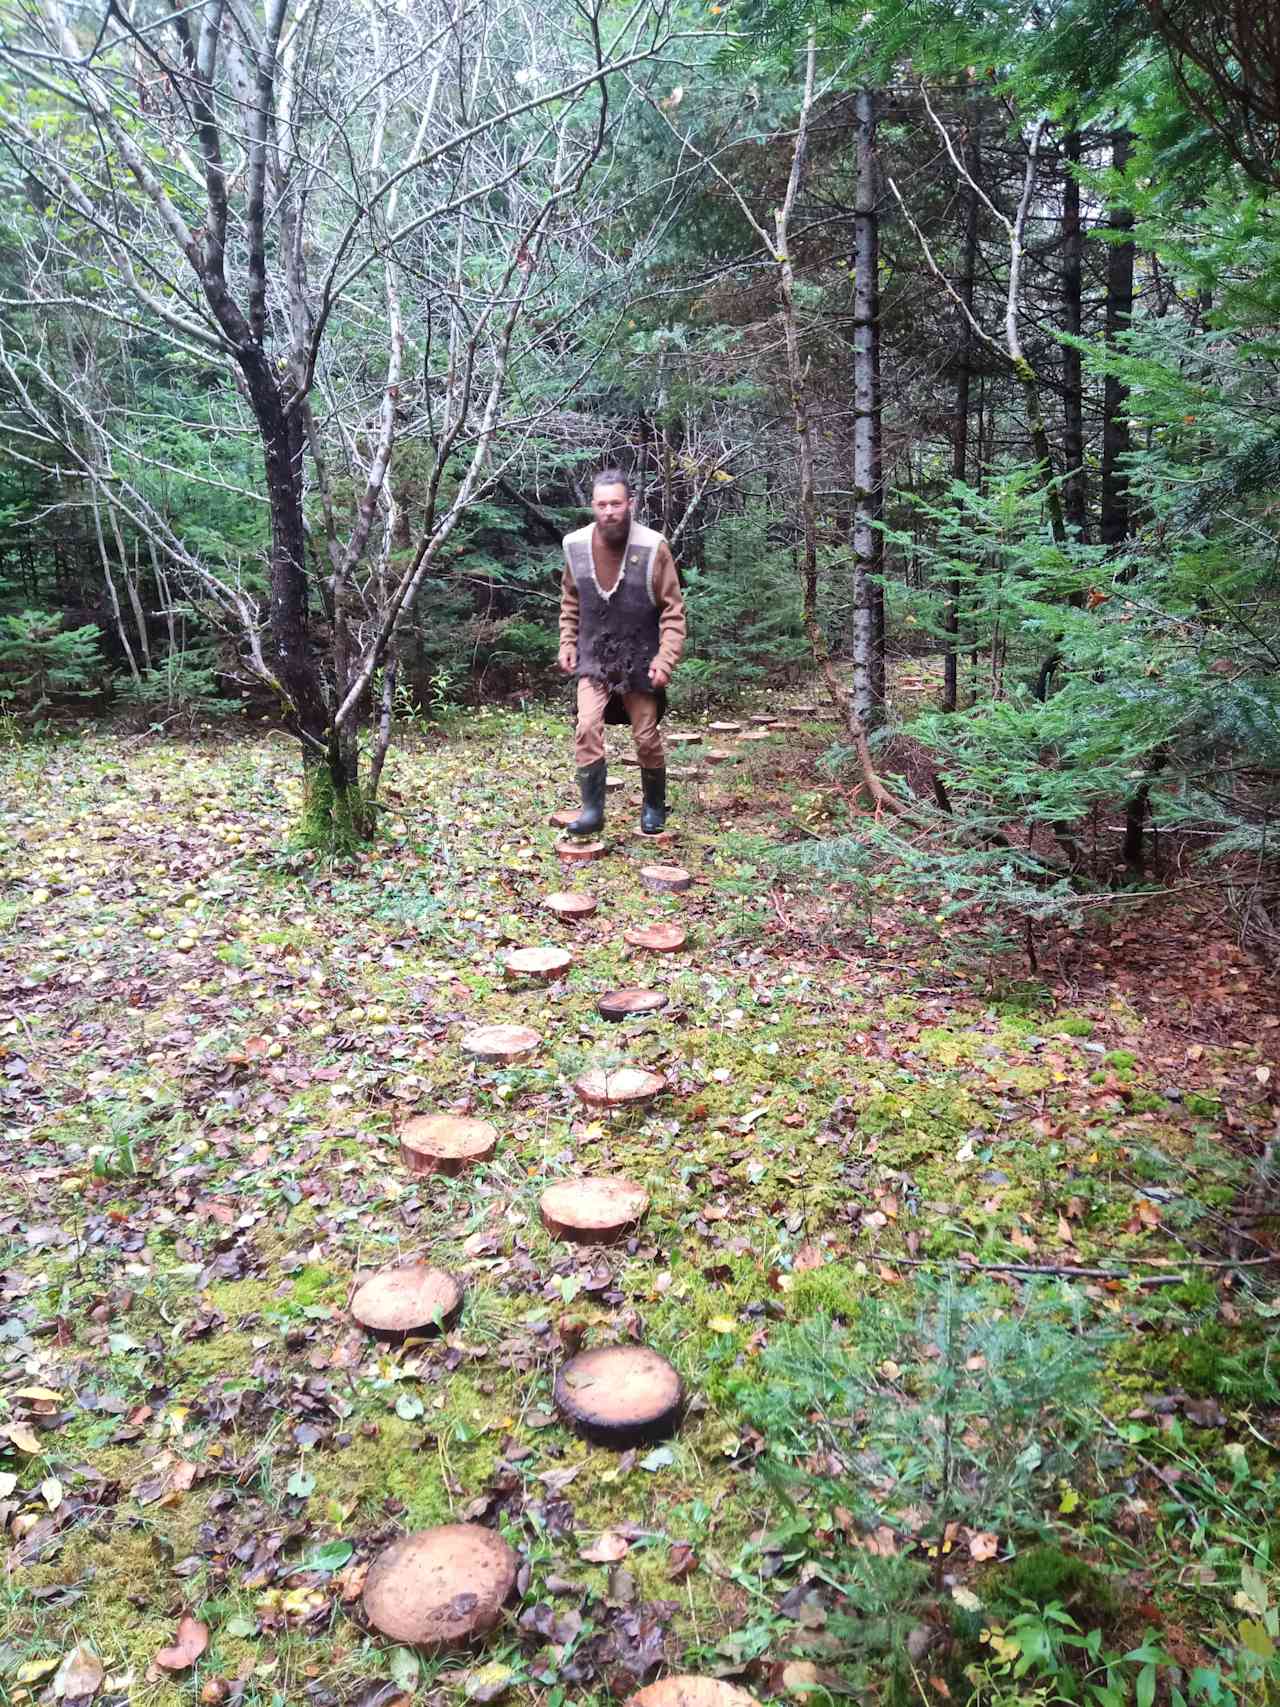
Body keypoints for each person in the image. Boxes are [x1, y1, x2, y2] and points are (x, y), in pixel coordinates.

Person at [558, 469, 686, 836]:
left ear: (630, 503)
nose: (609, 511)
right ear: (593, 507)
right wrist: (567, 643)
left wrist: (665, 659)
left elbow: (673, 611)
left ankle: (653, 805)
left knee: (645, 736)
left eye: (616, 503)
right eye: (602, 504)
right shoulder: (576, 546)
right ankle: (593, 810)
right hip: (593, 658)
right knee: (586, 725)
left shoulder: (652, 546)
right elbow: (570, 600)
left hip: (640, 658)